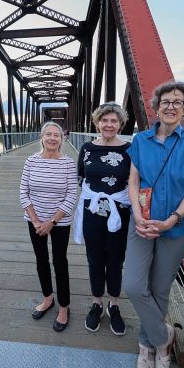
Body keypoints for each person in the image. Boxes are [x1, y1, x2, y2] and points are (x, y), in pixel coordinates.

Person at [123, 81, 184, 368]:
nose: (171, 106)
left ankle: (148, 345)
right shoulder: (140, 140)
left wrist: (172, 219)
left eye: (177, 102)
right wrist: (137, 215)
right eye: (165, 102)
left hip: (177, 226)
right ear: (156, 107)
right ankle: (165, 337)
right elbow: (133, 182)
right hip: (143, 222)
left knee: (159, 287)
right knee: (134, 285)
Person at [74, 102, 131, 336]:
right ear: (97, 123)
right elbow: (80, 176)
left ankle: (114, 304)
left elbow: (135, 180)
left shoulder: (130, 149)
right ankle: (97, 302)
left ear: (120, 124)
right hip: (92, 210)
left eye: (114, 121)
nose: (109, 125)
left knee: (116, 259)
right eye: (104, 120)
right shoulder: (87, 148)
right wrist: (96, 199)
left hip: (120, 209)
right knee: (94, 257)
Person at [19, 121, 78, 332]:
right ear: (42, 138)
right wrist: (36, 221)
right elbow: (23, 193)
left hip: (59, 222)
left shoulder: (68, 163)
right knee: (41, 260)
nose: (53, 138)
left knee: (60, 261)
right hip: (34, 221)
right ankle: (47, 298)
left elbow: (72, 195)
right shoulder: (30, 161)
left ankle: (64, 307)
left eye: (57, 135)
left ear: (62, 140)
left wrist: (51, 222)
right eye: (49, 134)